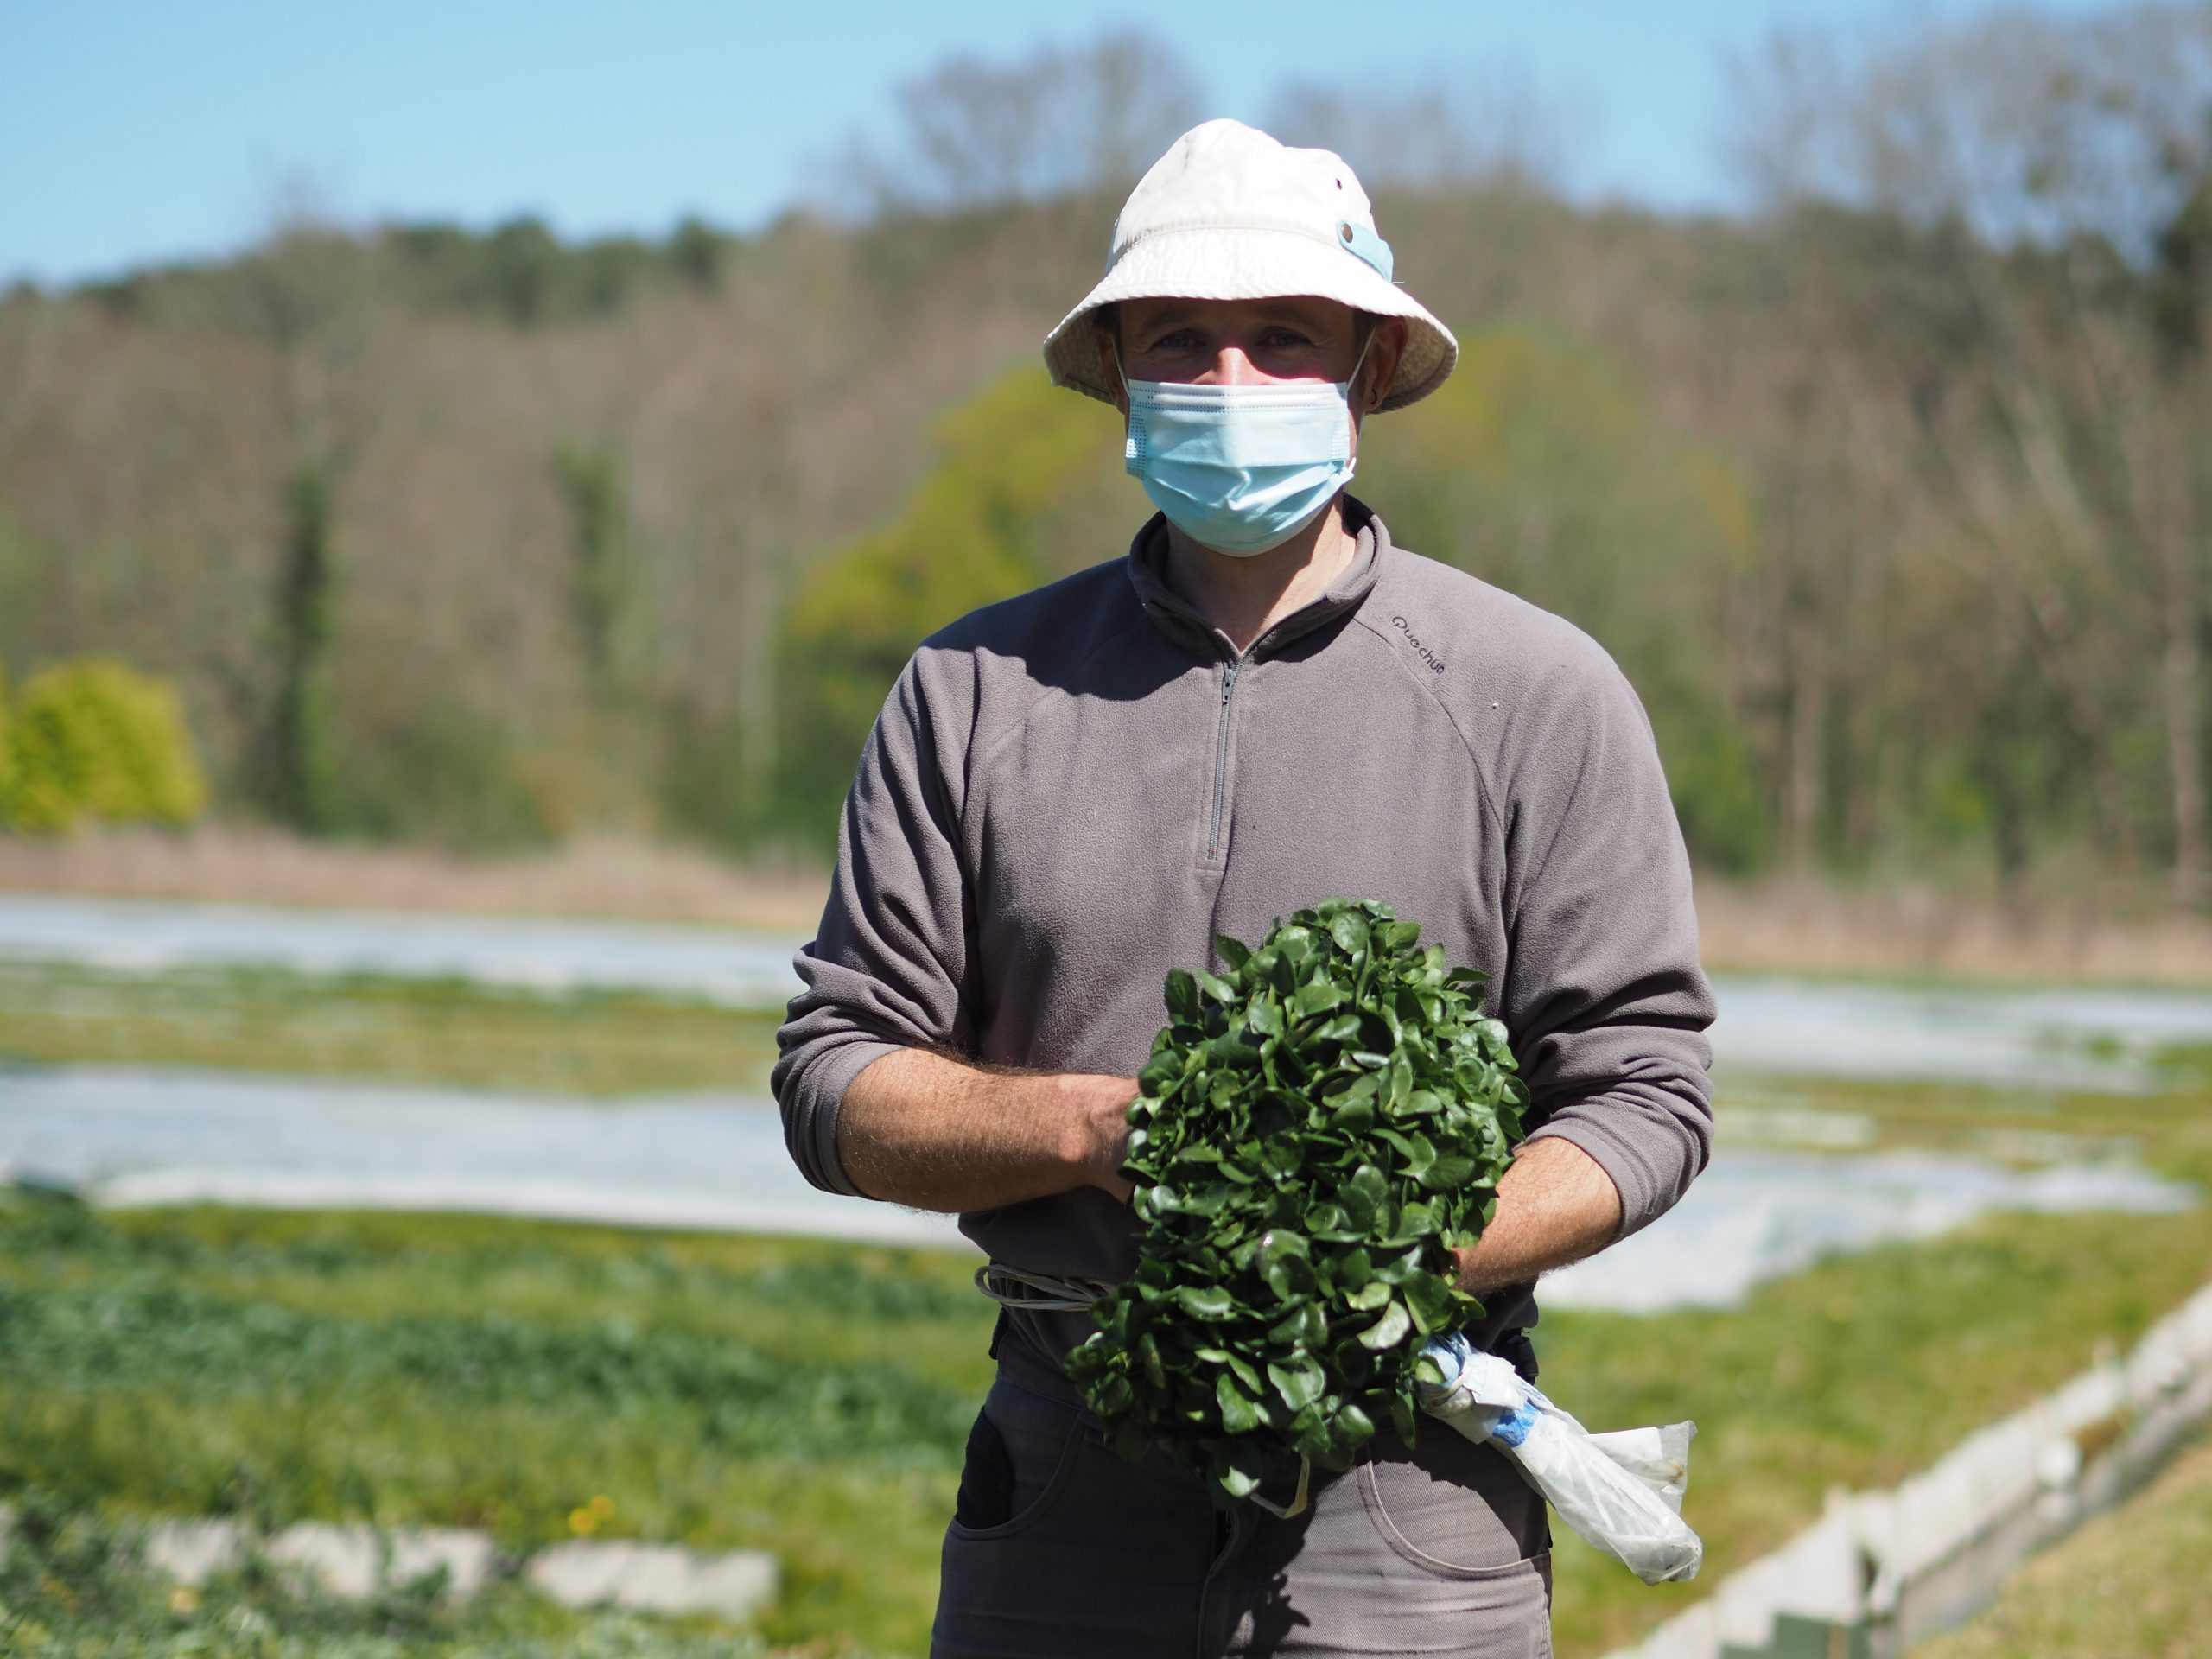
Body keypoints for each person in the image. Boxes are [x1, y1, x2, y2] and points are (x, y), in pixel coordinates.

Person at [774, 118, 1715, 1659]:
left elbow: (1644, 1094)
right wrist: (1099, 1132)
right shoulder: (973, 690)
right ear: (1121, 374)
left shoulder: (1537, 692)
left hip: (1414, 1479)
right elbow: (834, 1083)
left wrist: (1366, 1255)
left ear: (1365, 373)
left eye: (1283, 340)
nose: (1230, 384)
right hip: (1072, 1458)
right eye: (1181, 343)